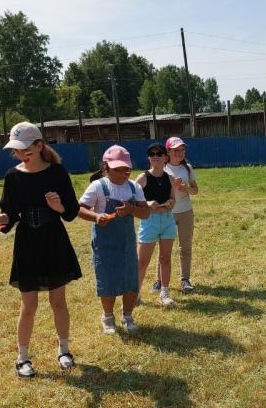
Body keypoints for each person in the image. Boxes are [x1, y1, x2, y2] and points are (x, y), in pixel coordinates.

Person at [0, 122, 82, 378]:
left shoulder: (57, 173)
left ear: (40, 145)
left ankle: (64, 351)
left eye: (25, 149)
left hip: (54, 240)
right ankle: (22, 358)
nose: (20, 154)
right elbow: (10, 212)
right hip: (27, 243)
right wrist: (3, 219)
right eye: (17, 150)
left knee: (58, 301)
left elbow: (72, 211)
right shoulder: (13, 176)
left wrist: (59, 208)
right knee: (28, 304)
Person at [78, 145, 150, 334]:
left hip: (126, 244)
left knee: (130, 280)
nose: (122, 174)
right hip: (105, 244)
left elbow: (146, 213)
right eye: (117, 169)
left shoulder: (134, 187)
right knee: (107, 280)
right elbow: (80, 209)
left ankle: (127, 316)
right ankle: (108, 317)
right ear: (106, 168)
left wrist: (131, 209)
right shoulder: (98, 187)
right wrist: (96, 217)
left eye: (126, 169)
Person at [149, 137, 199, 294]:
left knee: (185, 247)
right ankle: (159, 281)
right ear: (168, 152)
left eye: (182, 150)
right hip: (166, 213)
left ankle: (185, 280)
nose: (180, 153)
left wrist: (186, 189)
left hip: (185, 212)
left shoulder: (187, 168)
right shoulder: (161, 168)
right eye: (176, 150)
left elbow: (195, 190)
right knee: (164, 249)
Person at [136, 143, 177, 306]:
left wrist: (171, 202)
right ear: (148, 158)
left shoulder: (170, 178)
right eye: (152, 154)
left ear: (166, 157)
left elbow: (173, 199)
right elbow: (131, 199)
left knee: (165, 259)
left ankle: (164, 293)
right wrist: (146, 203)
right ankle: (135, 294)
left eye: (159, 154)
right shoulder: (143, 178)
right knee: (142, 261)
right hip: (149, 221)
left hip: (167, 221)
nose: (155, 156)